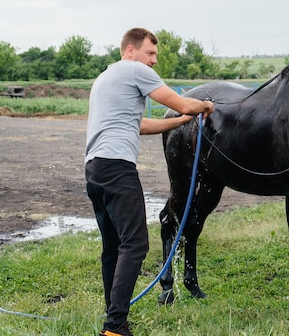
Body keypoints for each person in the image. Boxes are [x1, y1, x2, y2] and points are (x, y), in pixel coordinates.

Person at [85, 28, 214, 336]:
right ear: (130, 51)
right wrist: (204, 107)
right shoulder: (134, 71)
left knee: (113, 246)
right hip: (118, 169)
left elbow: (139, 125)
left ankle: (113, 312)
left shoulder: (106, 78)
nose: (154, 61)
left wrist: (181, 121)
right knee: (136, 244)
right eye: (150, 53)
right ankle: (115, 326)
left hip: (94, 169)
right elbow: (184, 103)